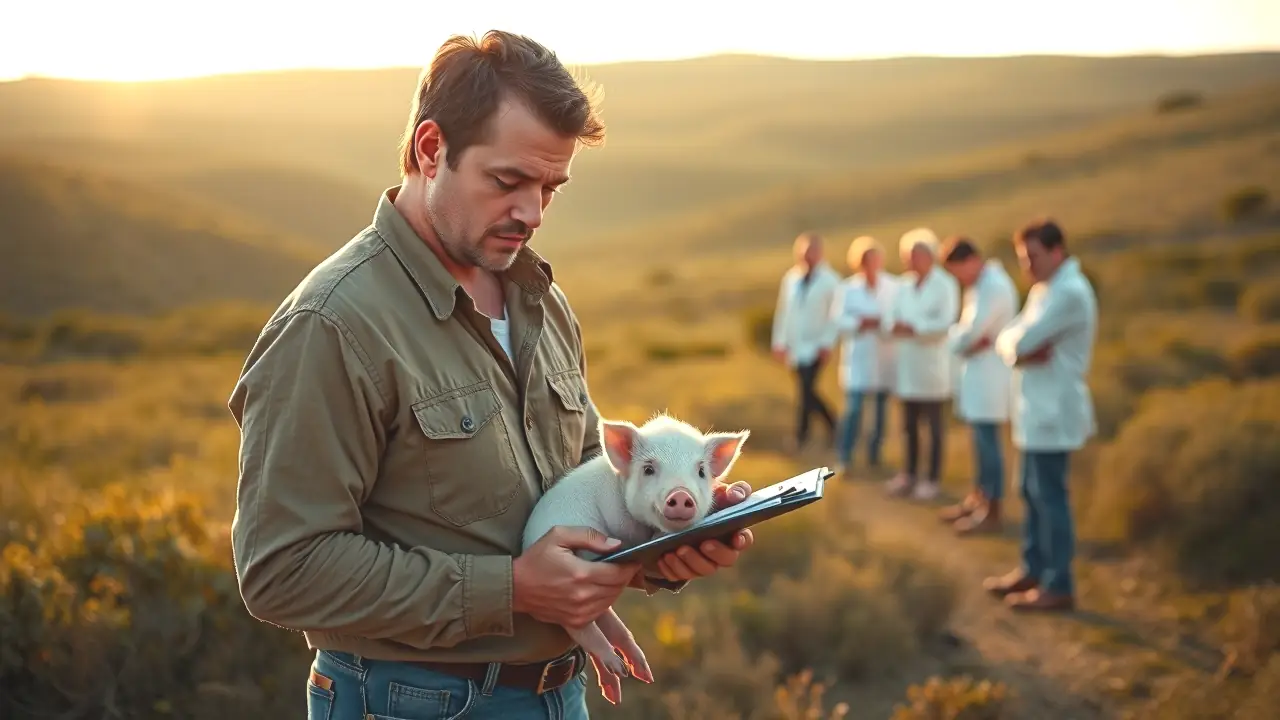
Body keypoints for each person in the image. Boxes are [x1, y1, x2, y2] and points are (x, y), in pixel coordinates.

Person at [226, 31, 755, 720]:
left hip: (561, 692)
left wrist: (664, 542)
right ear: (430, 150)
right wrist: (510, 590)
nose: (532, 213)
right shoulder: (332, 326)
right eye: (507, 182)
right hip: (409, 701)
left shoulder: (542, 302)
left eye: (550, 187)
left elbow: (574, 498)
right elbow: (281, 572)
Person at [984, 219, 1097, 613]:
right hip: (1034, 409)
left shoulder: (1069, 293)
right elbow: (1008, 339)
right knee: (1030, 494)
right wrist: (1017, 349)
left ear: (1056, 252)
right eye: (1021, 258)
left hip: (1054, 409)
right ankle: (1032, 569)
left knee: (1050, 498)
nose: (1026, 266)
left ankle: (1058, 584)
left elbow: (1021, 339)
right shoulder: (1042, 290)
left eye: (1032, 257)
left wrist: (1019, 347)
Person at [939, 237, 1020, 534]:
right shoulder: (980, 286)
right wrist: (964, 341)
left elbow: (970, 333)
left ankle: (992, 509)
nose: (957, 278)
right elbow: (967, 337)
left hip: (991, 376)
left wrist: (962, 341)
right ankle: (979, 498)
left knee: (988, 444)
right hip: (978, 373)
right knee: (980, 441)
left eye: (956, 270)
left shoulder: (993, 286)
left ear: (970, 260)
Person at [883, 227, 960, 501]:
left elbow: (945, 324)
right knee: (909, 426)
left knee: (934, 428)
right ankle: (909, 474)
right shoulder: (902, 286)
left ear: (929, 257)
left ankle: (932, 479)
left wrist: (913, 327)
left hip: (932, 367)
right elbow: (889, 319)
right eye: (906, 256)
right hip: (907, 366)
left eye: (913, 256)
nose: (909, 261)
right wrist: (896, 326)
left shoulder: (945, 284)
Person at [830, 235, 901, 475]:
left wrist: (881, 322)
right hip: (859, 358)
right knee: (854, 410)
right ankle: (845, 456)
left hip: (884, 357)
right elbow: (838, 320)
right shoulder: (847, 289)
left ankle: (874, 455)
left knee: (881, 411)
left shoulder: (893, 286)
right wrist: (860, 321)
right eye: (865, 260)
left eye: (873, 259)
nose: (870, 264)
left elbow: (897, 315)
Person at [771, 232, 842, 453]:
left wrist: (827, 343)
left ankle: (801, 437)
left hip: (816, 345)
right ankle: (835, 425)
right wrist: (779, 341)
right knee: (807, 391)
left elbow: (835, 316)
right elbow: (784, 311)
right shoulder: (791, 278)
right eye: (803, 252)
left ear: (820, 253)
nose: (807, 256)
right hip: (795, 345)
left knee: (806, 390)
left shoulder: (831, 281)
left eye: (811, 251)